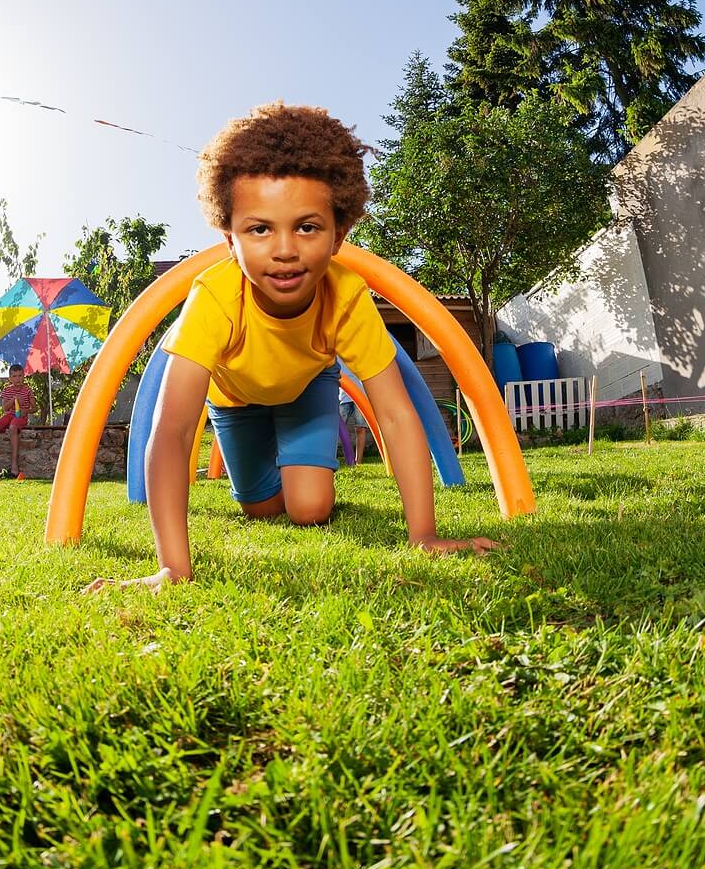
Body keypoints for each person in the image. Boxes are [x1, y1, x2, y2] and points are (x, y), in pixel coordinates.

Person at [86, 102, 499, 594]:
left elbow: (395, 414)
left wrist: (424, 535)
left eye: (306, 227)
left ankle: (306, 471)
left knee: (310, 509)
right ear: (230, 239)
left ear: (339, 234)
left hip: (307, 388)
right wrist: (172, 568)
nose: (284, 250)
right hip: (235, 400)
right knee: (261, 508)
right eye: (260, 229)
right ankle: (277, 471)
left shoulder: (346, 297)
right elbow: (173, 431)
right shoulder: (213, 299)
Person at [0, 363, 33, 477]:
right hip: (9, 415)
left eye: (20, 376)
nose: (17, 379)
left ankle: (14, 466)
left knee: (13, 428)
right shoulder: (7, 390)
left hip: (20, 417)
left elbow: (35, 408)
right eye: (14, 376)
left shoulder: (28, 390)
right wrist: (13, 400)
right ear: (10, 378)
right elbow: (5, 408)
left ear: (23, 376)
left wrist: (26, 411)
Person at [337, 385, 368, 466]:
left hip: (360, 396)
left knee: (360, 428)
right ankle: (349, 460)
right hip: (344, 398)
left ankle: (358, 462)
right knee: (338, 428)